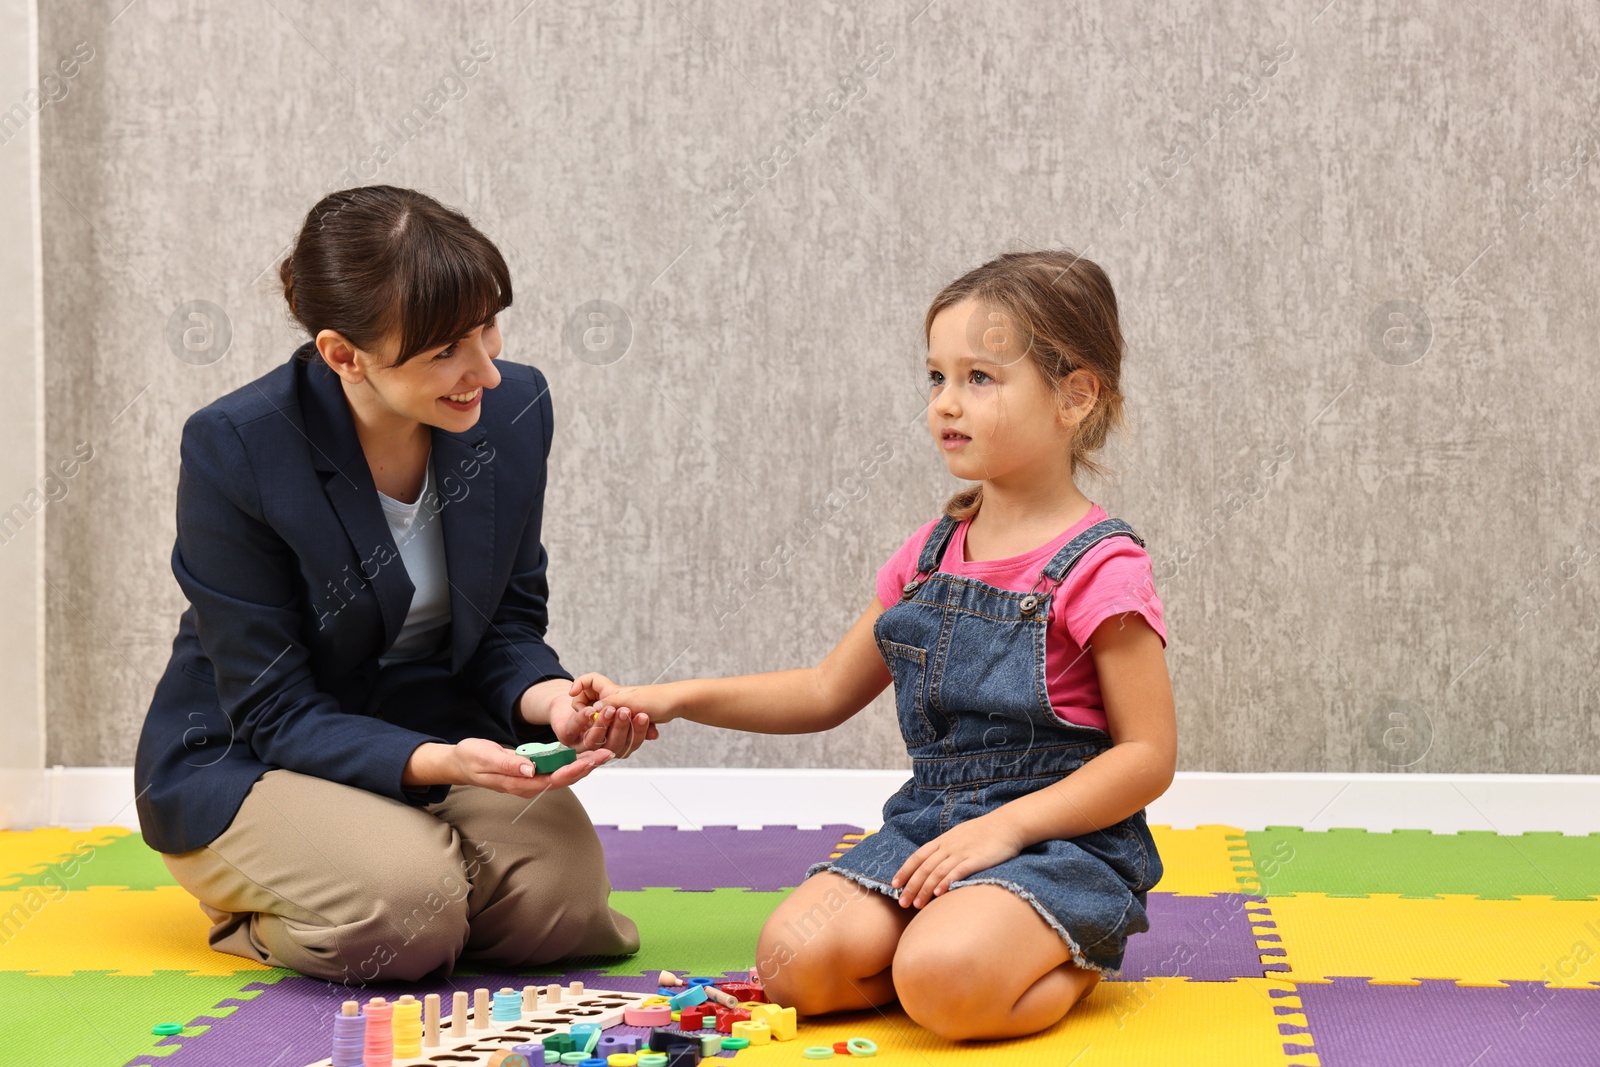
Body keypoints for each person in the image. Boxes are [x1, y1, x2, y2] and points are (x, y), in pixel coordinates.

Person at [571, 249, 1175, 1041]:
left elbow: (1147, 756)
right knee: (793, 961)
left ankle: (1074, 950)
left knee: (945, 983)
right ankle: (949, 946)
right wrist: (672, 698)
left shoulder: (1102, 566)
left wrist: (1007, 829)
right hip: (930, 827)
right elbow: (824, 690)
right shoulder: (929, 553)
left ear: (1074, 395)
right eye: (937, 377)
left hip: (1057, 842)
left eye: (980, 378)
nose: (946, 404)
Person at [133, 185, 658, 986]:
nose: (484, 369)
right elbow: (273, 704)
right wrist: (437, 762)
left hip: (434, 730)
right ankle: (268, 906)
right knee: (402, 917)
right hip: (253, 751)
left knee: (562, 909)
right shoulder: (235, 446)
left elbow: (507, 623)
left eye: (487, 328)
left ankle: (409, 872)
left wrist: (553, 700)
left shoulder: (512, 407)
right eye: (446, 349)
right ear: (344, 355)